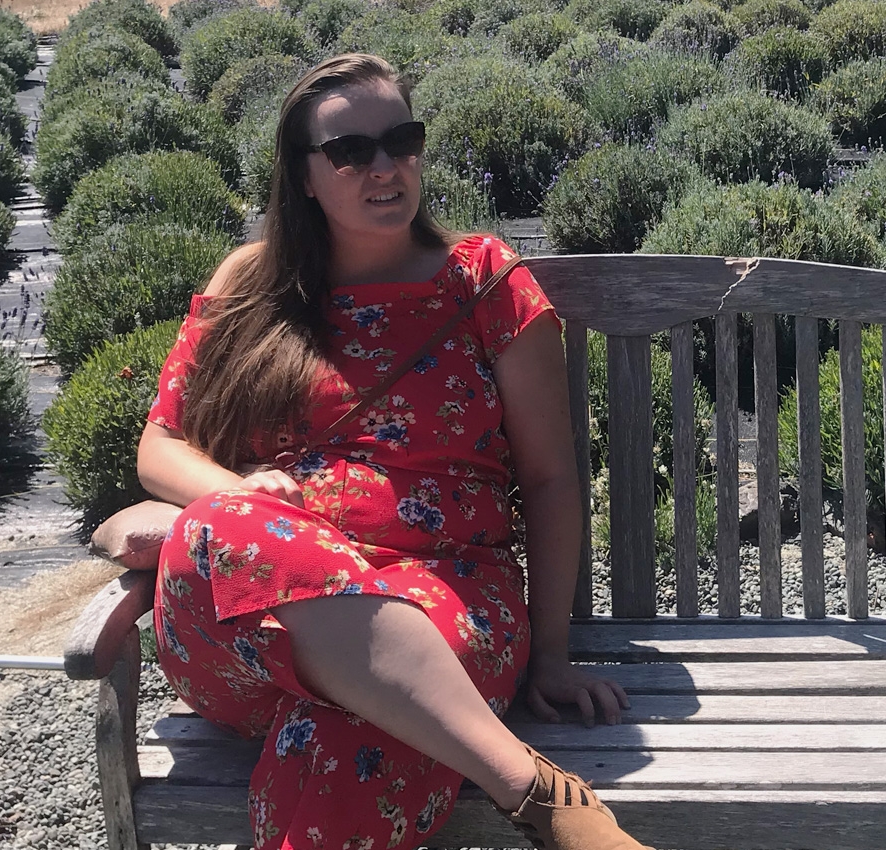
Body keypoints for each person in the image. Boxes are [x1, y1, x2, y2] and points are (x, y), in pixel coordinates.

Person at [135, 52, 652, 850]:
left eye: (401, 140)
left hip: (448, 600)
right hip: (252, 626)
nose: (385, 166)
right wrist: (243, 495)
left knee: (347, 738)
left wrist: (550, 653)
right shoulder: (250, 282)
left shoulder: (482, 281)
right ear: (305, 176)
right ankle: (533, 791)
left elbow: (550, 479)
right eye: (351, 151)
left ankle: (492, 767)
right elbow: (161, 449)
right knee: (222, 522)